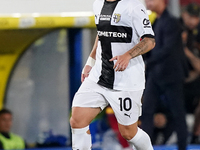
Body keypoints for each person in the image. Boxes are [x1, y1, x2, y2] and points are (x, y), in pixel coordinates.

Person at [69, 0, 156, 149]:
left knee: (129, 133)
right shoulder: (98, 4)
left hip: (126, 81)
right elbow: (101, 34)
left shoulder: (133, 6)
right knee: (77, 120)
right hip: (99, 76)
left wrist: (127, 55)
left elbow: (150, 41)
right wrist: (91, 61)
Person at [142, 0, 188, 150]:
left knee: (178, 113)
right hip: (155, 74)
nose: (147, 2)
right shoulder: (155, 21)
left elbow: (167, 49)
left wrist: (148, 62)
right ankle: (144, 147)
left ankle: (182, 147)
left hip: (171, 75)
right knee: (147, 111)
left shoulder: (172, 22)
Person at [180, 3, 200, 144]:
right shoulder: (173, 27)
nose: (192, 20)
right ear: (183, 14)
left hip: (193, 81)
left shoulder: (198, 33)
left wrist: (185, 51)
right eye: (190, 16)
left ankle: (195, 135)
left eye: (195, 17)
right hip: (173, 81)